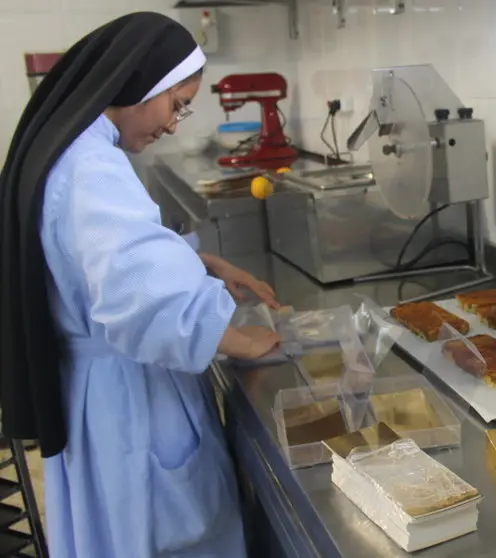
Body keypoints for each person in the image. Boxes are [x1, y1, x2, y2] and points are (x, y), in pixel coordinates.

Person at [0, 12, 283, 558]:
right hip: (127, 402)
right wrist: (241, 340)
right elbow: (144, 296)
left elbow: (89, 262)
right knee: (159, 534)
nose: (175, 124)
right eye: (176, 105)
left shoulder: (71, 147)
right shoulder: (92, 167)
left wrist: (198, 261)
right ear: (141, 85)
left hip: (96, 391)